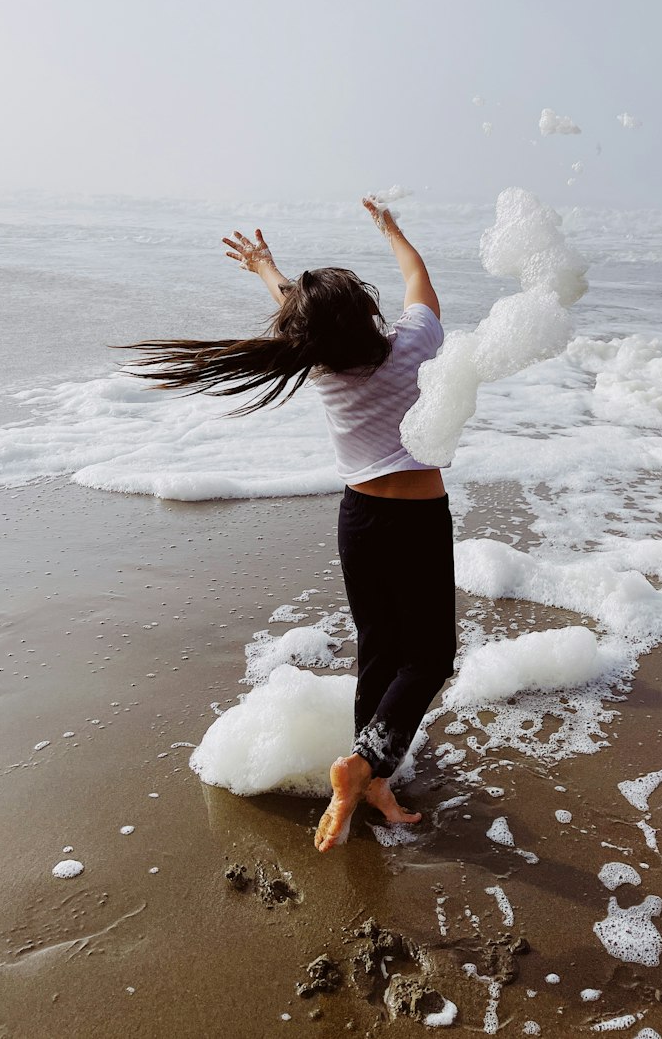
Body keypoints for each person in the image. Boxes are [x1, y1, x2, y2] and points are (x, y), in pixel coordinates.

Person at [122, 199, 456, 852]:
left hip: (358, 519)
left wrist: (265, 267)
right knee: (430, 656)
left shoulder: (321, 363)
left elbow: (302, 312)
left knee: (380, 651)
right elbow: (418, 277)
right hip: (415, 520)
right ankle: (363, 766)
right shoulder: (415, 344)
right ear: (366, 314)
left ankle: (372, 779)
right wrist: (393, 231)